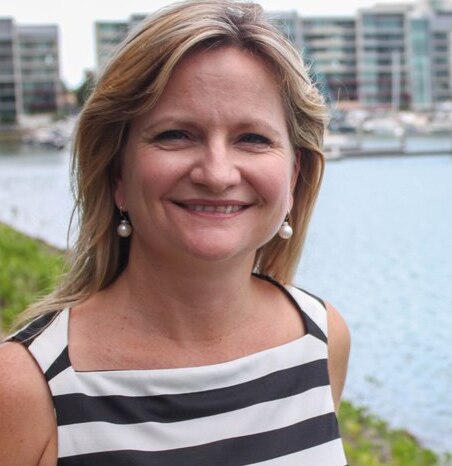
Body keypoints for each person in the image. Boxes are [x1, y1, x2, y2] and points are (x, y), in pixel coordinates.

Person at [0, 1, 350, 465]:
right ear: (117, 173)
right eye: (175, 135)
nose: (217, 173)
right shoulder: (24, 388)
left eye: (253, 138)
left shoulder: (321, 337)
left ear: (293, 175)